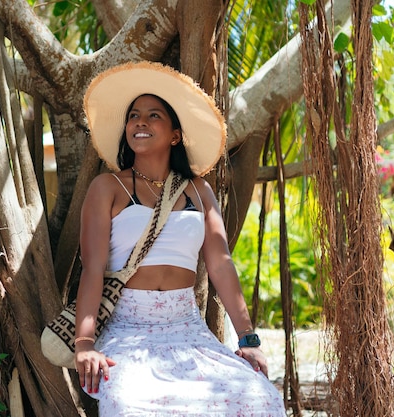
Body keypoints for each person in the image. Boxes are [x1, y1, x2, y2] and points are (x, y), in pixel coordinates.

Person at [74, 61, 285, 416]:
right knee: (131, 406)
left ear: (175, 134)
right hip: (128, 330)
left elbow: (220, 264)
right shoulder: (107, 188)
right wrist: (85, 344)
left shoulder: (199, 190)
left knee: (258, 398)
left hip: (187, 328)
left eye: (153, 115)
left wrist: (248, 340)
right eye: (134, 115)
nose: (140, 121)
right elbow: (92, 269)